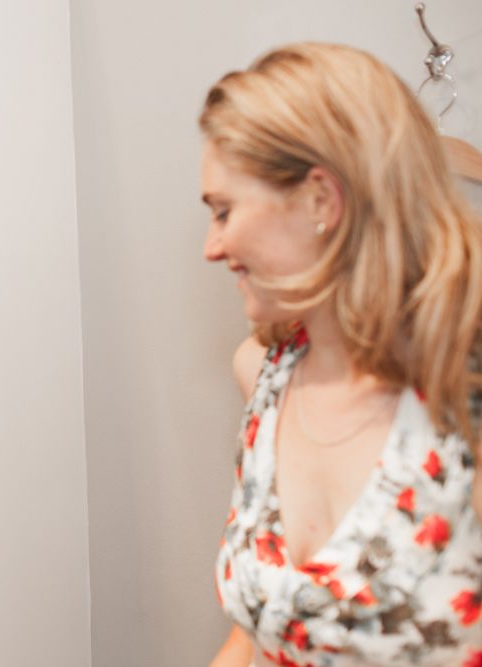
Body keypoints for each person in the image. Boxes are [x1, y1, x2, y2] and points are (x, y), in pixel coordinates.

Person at [201, 43, 482, 666]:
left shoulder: (464, 404)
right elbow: (255, 636)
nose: (211, 247)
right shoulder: (265, 376)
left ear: (321, 202)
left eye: (224, 212)